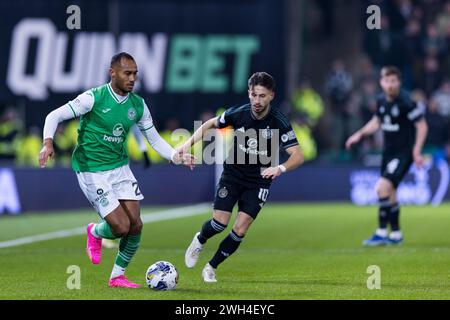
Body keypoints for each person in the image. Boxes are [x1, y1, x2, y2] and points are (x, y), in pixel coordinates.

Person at [38, 52, 195, 288]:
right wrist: (48, 142)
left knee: (136, 225)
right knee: (121, 227)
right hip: (91, 168)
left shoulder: (138, 105)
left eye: (135, 74)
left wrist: (175, 156)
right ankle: (95, 231)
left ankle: (117, 277)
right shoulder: (94, 98)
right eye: (127, 73)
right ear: (112, 73)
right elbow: (54, 115)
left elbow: (153, 139)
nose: (132, 78)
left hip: (120, 168)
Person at [179, 72, 304, 282]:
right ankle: (200, 240)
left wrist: (280, 168)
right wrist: (185, 146)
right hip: (233, 176)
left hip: (259, 181)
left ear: (272, 96)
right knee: (219, 224)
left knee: (240, 228)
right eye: (254, 95)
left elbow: (298, 156)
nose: (257, 100)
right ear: (249, 93)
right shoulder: (239, 113)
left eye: (262, 96)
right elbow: (210, 123)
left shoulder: (279, 121)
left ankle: (211, 266)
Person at [346, 66, 428, 246]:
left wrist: (416, 150)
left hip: (403, 153)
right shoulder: (381, 100)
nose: (390, 85)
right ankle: (396, 234)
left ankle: (382, 232)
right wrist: (359, 134)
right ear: (381, 83)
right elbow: (377, 121)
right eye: (386, 81)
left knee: (381, 188)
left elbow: (422, 126)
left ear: (398, 82)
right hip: (388, 153)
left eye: (393, 81)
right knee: (391, 194)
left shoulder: (406, 102)